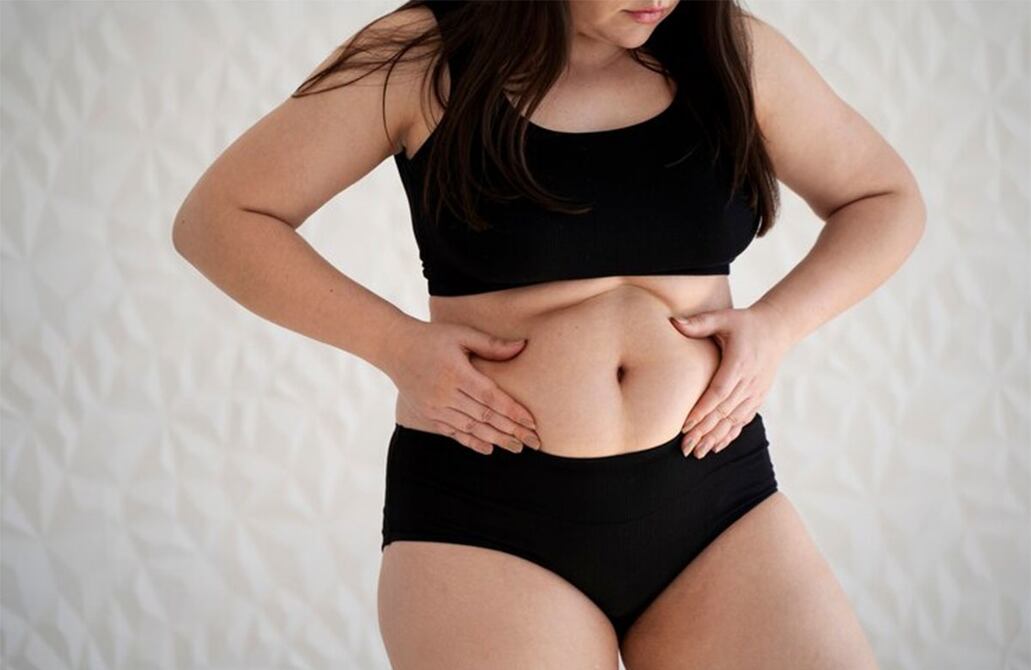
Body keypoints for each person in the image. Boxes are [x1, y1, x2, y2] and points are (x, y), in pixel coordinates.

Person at [173, 1, 925, 667]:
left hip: (716, 502)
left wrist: (778, 325)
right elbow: (219, 218)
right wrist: (394, 344)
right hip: (487, 518)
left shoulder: (729, 48)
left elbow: (883, 197)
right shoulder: (421, 54)